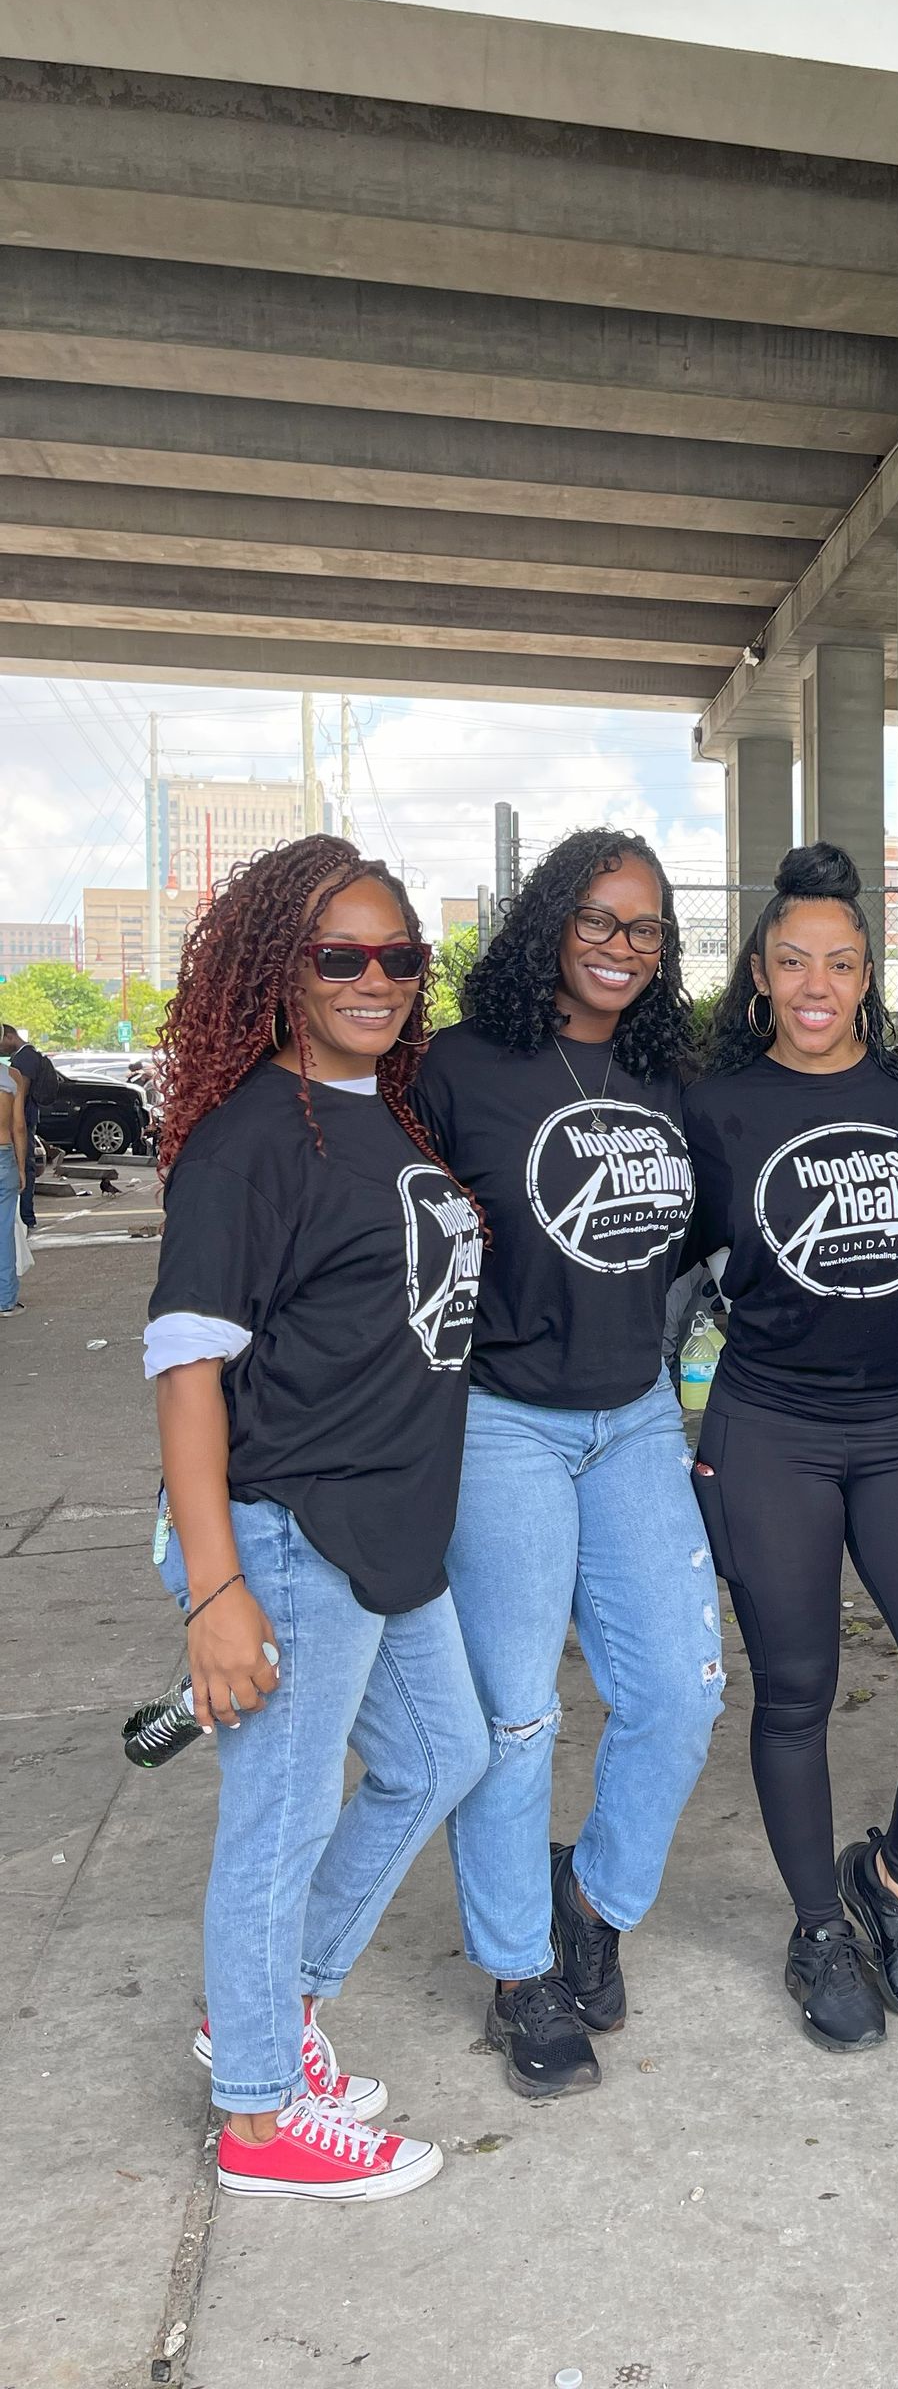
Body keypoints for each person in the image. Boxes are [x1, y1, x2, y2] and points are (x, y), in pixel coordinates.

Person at [147, 834, 488, 2202]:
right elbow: (187, 1372)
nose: (374, 978)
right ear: (277, 970)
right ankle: (258, 2117)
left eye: (399, 956)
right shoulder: (248, 1144)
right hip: (291, 1536)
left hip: (387, 1531)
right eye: (338, 955)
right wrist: (216, 1593)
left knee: (441, 1755)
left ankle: (268, 2014)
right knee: (278, 1824)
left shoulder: (375, 1114)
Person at [413, 827, 722, 2100]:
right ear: (547, 922)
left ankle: (591, 1900)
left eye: (647, 929)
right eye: (599, 920)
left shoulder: (665, 1070)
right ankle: (514, 1968)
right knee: (518, 1712)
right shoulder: (454, 1068)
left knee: (683, 1690)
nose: (622, 948)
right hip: (503, 1418)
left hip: (637, 1410)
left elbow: (697, 1235)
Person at [681, 843, 898, 2052]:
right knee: (799, 1688)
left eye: (841, 961)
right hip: (770, 1426)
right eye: (792, 961)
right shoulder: (715, 1106)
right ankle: (819, 1924)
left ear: (869, 974)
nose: (817, 982)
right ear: (760, 976)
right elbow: (647, 1254)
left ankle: (895, 1883)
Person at [0, 1023, 54, 1225]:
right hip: (12, 1134)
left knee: (28, 1170)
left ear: (10, 1036)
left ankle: (26, 1215)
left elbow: (19, 1115)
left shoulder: (25, 1059)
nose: (1, 1048)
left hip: (22, 1119)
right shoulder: (19, 1063)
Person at [0, 1046, 25, 1313]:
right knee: (3, 1228)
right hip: (3, 1153)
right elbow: (18, 1126)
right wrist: (21, 1167)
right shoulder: (12, 1076)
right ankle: (5, 1299)